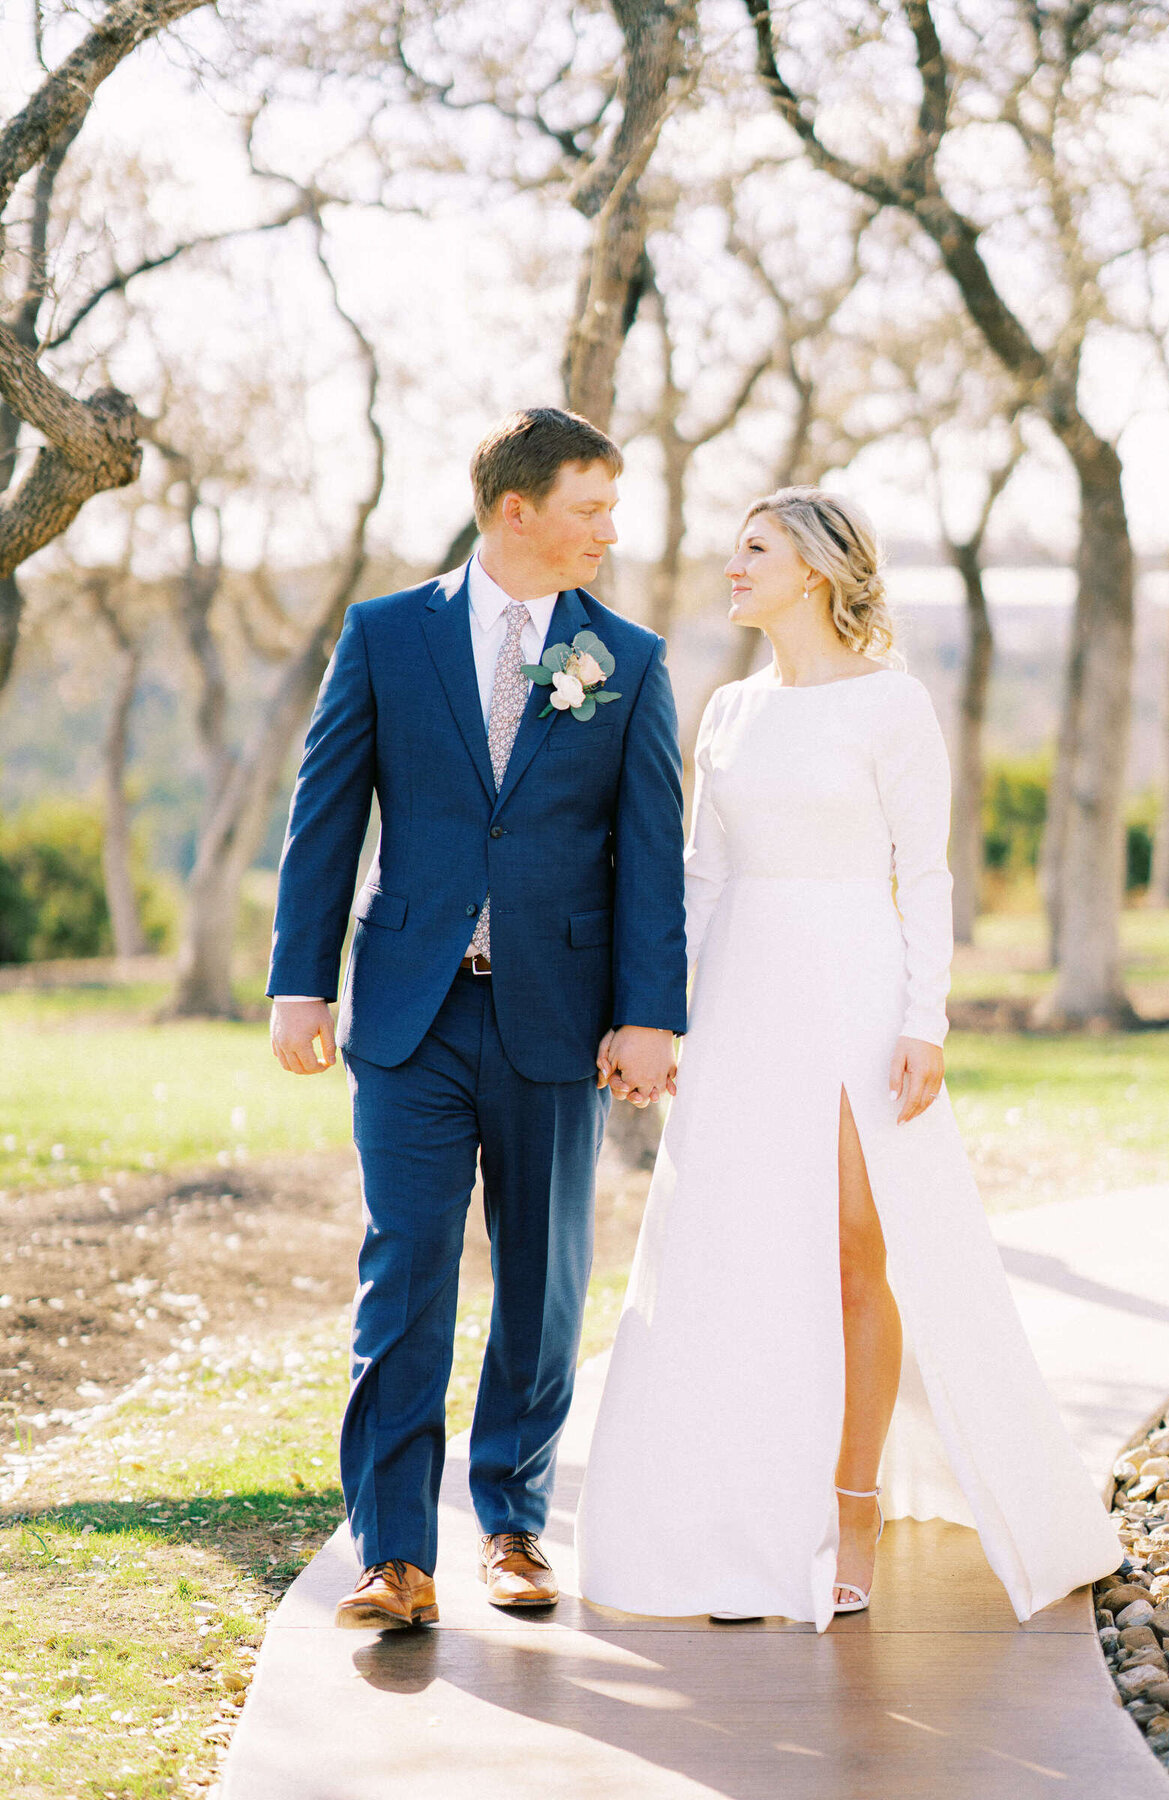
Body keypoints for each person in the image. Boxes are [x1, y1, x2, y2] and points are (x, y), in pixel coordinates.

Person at [577, 486, 1122, 1628]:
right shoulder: (727, 710)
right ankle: (741, 1514)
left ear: (814, 571)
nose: (734, 568)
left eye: (754, 550)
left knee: (852, 1248)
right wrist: (663, 1016)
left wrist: (926, 1020)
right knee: (735, 1251)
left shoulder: (893, 708)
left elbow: (923, 876)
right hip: (740, 996)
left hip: (858, 995)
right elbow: (701, 879)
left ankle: (855, 1503)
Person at [268, 407, 687, 1630]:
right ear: (517, 510)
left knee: (544, 1280)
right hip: (408, 1014)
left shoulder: (631, 661)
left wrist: (650, 1014)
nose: (610, 532)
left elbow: (652, 855)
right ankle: (394, 1552)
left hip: (558, 1017)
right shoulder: (387, 636)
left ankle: (511, 1522)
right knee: (404, 1270)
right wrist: (302, 979)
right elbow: (325, 811)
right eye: (590, 508)